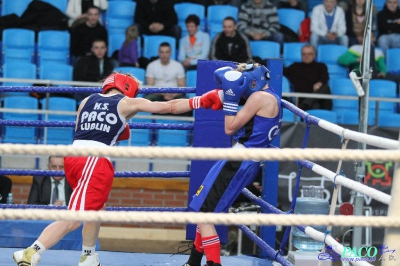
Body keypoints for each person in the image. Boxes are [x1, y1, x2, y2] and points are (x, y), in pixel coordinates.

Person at [13, 72, 227, 266]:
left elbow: (82, 130)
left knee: (97, 209)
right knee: (74, 218)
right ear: (128, 87)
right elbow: (169, 107)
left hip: (74, 158)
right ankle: (31, 252)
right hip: (94, 161)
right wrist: (201, 100)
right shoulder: (126, 103)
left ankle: (88, 256)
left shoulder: (86, 101)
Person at [183, 61, 282, 266]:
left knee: (205, 215)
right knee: (205, 207)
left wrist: (230, 100)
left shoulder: (258, 98)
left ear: (253, 81)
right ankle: (193, 262)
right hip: (243, 160)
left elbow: (229, 128)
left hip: (240, 160)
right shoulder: (271, 96)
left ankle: (212, 263)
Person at [283, 44, 332, 110]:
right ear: (301, 55)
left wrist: (320, 83)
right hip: (303, 100)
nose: (307, 56)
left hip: (319, 101)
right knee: (315, 106)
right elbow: (279, 69)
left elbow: (325, 77)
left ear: (314, 55)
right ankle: (303, 106)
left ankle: (302, 107)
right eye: (304, 54)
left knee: (325, 87)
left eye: (310, 54)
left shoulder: (321, 66)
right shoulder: (295, 67)